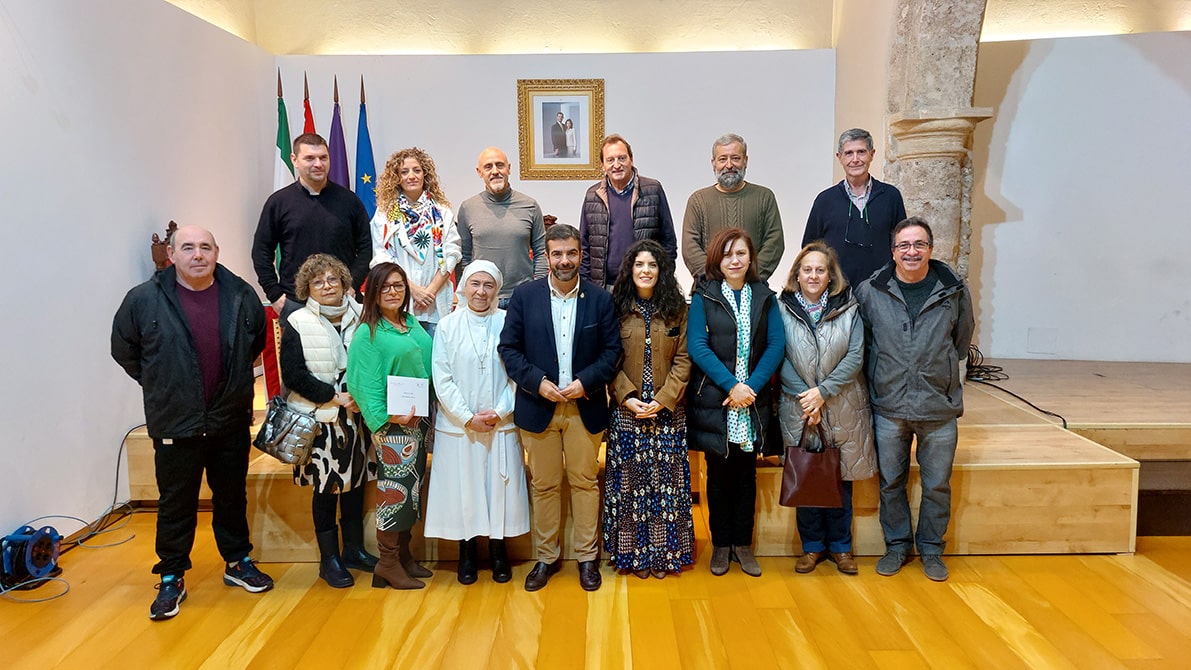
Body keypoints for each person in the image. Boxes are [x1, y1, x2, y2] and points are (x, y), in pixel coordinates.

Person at [111, 226, 271, 621]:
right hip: (175, 419)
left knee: (231, 496)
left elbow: (256, 343)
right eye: (188, 247)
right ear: (171, 253)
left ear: (217, 252)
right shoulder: (144, 299)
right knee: (175, 503)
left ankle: (237, 562)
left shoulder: (240, 295)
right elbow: (124, 348)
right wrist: (162, 382)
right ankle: (170, 577)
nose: (197, 254)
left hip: (228, 417)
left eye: (205, 247)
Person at [498, 224, 622, 592]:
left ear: (581, 256)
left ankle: (587, 559)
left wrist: (586, 381)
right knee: (545, 485)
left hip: (584, 405)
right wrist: (537, 382)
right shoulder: (525, 296)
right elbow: (509, 349)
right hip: (539, 406)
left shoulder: (601, 299)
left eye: (571, 253)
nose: (564, 260)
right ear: (545, 257)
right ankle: (546, 558)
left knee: (585, 483)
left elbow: (612, 352)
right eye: (557, 254)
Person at [854, 217, 974, 582]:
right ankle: (897, 546)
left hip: (938, 404)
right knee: (891, 482)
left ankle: (932, 550)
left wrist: (934, 371)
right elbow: (865, 343)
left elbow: (961, 340)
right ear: (893, 252)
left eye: (919, 244)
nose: (911, 252)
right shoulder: (871, 290)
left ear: (930, 249)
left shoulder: (953, 289)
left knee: (937, 483)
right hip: (890, 403)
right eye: (904, 246)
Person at [686, 227, 785, 577]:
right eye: (727, 254)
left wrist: (750, 388)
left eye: (741, 253)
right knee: (717, 475)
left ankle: (743, 543)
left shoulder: (764, 296)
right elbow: (697, 345)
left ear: (750, 258)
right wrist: (732, 386)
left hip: (752, 401)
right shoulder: (704, 295)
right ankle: (721, 544)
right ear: (717, 258)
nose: (734, 260)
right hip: (717, 399)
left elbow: (775, 345)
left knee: (746, 476)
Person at [425, 261, 530, 585]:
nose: (481, 291)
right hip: (460, 426)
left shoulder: (509, 323)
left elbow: (518, 374)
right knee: (464, 489)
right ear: (464, 287)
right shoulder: (447, 326)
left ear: (497, 290)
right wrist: (468, 417)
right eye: (475, 284)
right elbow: (442, 378)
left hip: (500, 423)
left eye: (488, 285)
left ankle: (499, 552)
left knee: (498, 490)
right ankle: (466, 553)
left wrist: (499, 411)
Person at [776, 242, 876, 576]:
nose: (814, 275)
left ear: (830, 275)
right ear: (797, 274)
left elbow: (855, 356)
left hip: (842, 402)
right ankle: (812, 547)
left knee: (840, 478)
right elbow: (780, 356)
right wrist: (808, 397)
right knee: (805, 474)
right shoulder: (782, 309)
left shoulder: (849, 308)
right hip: (798, 404)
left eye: (820, 269)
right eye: (807, 269)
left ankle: (841, 547)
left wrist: (823, 393)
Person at [279, 254, 377, 589]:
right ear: (307, 288)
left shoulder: (363, 317)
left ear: (345, 283)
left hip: (357, 417)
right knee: (326, 489)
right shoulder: (296, 321)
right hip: (321, 419)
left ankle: (353, 550)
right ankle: (329, 560)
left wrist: (361, 397)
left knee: (356, 484)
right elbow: (292, 374)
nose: (326, 286)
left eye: (333, 280)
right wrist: (333, 396)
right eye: (318, 281)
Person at [603, 240, 694, 579]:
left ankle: (665, 555)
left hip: (668, 413)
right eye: (639, 264)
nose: (645, 270)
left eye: (652, 265)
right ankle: (632, 555)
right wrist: (626, 396)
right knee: (630, 486)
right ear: (629, 270)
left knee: (665, 485)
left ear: (662, 270)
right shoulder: (615, 309)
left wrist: (663, 399)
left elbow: (685, 360)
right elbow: (608, 358)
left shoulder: (677, 310)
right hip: (628, 413)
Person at [346, 262, 435, 590]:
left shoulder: (410, 323)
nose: (394, 292)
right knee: (393, 494)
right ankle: (387, 562)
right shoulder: (368, 333)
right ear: (373, 292)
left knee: (411, 491)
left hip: (418, 420)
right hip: (394, 426)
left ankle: (403, 556)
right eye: (385, 287)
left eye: (399, 285)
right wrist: (387, 416)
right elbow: (362, 382)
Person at [252, 133, 372, 322]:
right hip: (296, 304)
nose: (318, 164)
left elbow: (366, 248)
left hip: (343, 302)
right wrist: (274, 295)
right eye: (309, 158)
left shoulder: (349, 201)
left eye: (323, 158)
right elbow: (261, 252)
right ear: (294, 160)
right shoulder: (279, 203)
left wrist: (352, 285)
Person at [369, 147, 461, 338]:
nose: (411, 176)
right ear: (396, 177)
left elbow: (452, 253)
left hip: (435, 301)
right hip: (400, 299)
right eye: (404, 171)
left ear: (425, 175)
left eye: (417, 170)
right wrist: (413, 290)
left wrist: (430, 291)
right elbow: (381, 257)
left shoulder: (441, 212)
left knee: (434, 360)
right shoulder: (386, 214)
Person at [802, 128, 908, 288]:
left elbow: (902, 244)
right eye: (849, 153)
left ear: (872, 154)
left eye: (861, 152)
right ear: (840, 157)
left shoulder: (891, 196)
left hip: (883, 290)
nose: (855, 159)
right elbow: (810, 248)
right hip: (836, 292)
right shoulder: (825, 200)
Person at [579, 134, 678, 288]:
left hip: (644, 287)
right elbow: (584, 247)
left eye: (622, 158)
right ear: (602, 165)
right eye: (610, 160)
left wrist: (663, 281)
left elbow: (669, 242)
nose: (616, 165)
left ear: (631, 159)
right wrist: (587, 287)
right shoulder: (593, 195)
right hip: (605, 288)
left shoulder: (653, 189)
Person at [682, 133, 785, 281]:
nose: (729, 165)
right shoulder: (698, 200)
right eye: (722, 159)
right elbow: (690, 247)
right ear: (713, 163)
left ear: (746, 161)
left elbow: (774, 243)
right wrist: (716, 279)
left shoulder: (764, 197)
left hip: (754, 290)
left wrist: (748, 277)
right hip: (709, 291)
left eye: (735, 158)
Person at [456, 147, 547, 307]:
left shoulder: (530, 206)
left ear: (509, 169)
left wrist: (537, 289)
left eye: (500, 165)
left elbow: (541, 253)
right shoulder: (467, 208)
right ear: (479, 172)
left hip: (522, 297)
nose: (495, 171)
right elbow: (465, 256)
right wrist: (468, 294)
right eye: (488, 166)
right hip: (483, 298)